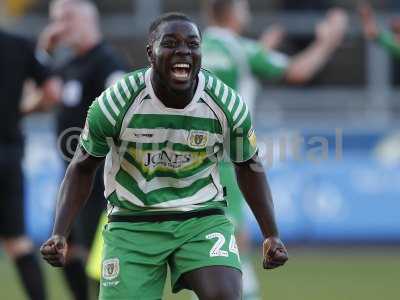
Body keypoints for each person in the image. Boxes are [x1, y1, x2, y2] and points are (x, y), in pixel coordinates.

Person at [40, 12, 288, 300]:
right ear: (150, 53)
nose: (183, 51)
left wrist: (271, 234)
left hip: (200, 216)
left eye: (193, 44)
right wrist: (60, 233)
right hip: (133, 221)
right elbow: (82, 169)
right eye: (170, 43)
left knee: (225, 295)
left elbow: (249, 166)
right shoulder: (116, 102)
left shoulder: (225, 103)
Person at [202, 1, 348, 299]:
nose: (248, 12)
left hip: (196, 159)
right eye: (244, 7)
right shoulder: (242, 51)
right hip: (229, 160)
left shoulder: (197, 47)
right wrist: (328, 40)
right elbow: (298, 71)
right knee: (231, 246)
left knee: (210, 245)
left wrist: (261, 49)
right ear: (232, 13)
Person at [38, 1, 127, 299]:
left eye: (66, 19)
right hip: (72, 178)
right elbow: (32, 97)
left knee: (101, 263)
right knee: (61, 249)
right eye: (55, 20)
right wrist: (43, 54)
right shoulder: (64, 65)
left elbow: (126, 118)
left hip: (100, 180)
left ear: (88, 20)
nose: (59, 27)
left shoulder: (108, 63)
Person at [0, 29, 60, 300]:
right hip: (9, 154)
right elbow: (52, 92)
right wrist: (21, 109)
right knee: (18, 243)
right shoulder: (20, 44)